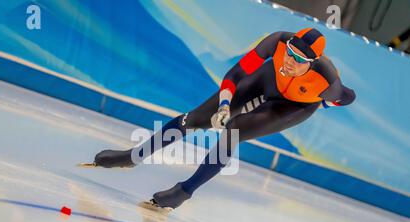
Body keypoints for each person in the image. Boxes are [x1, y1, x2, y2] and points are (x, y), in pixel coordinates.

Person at [93, 28, 356, 209]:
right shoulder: (276, 41)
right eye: (290, 52)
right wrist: (225, 104)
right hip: (267, 80)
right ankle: (133, 156)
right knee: (195, 118)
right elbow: (235, 74)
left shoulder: (327, 80)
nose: (290, 61)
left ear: (313, 62)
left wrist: (323, 103)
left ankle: (184, 191)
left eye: (300, 60)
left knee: (234, 130)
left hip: (294, 106)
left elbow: (347, 97)